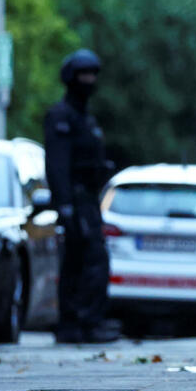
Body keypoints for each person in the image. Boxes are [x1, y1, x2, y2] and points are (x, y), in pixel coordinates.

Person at [44, 49, 119, 344]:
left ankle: (78, 324)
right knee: (91, 261)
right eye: (83, 75)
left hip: (88, 199)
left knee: (81, 262)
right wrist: (65, 206)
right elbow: (58, 164)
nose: (89, 80)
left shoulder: (86, 119)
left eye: (92, 75)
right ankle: (81, 322)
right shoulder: (61, 116)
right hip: (75, 201)